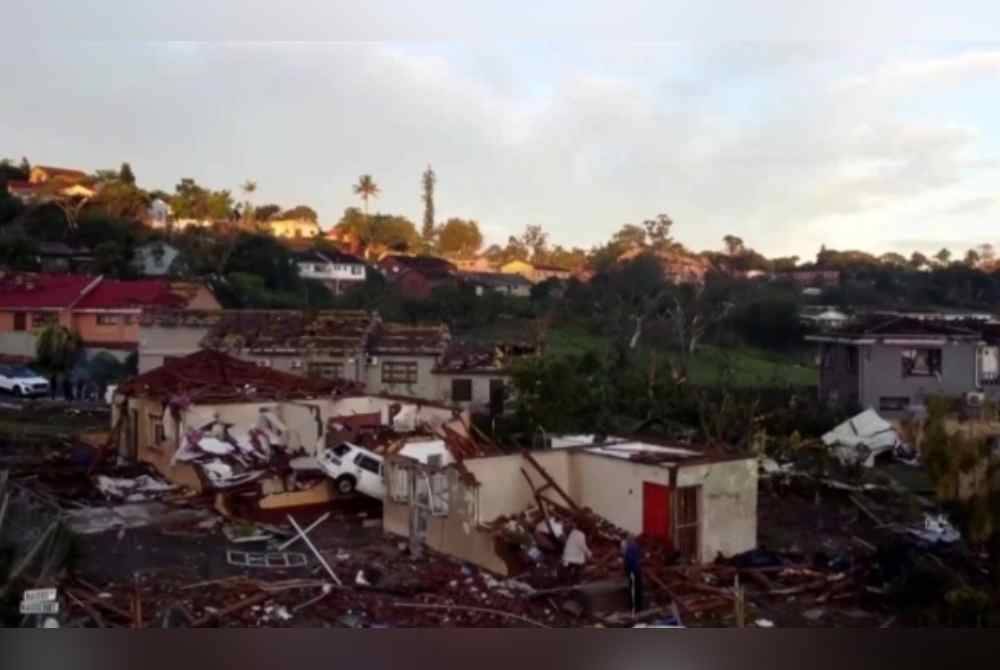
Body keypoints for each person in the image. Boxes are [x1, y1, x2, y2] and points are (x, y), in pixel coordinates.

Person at [622, 534, 644, 613]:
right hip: (637, 570)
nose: (627, 542)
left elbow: (628, 561)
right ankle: (639, 607)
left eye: (627, 540)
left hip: (632, 571)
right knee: (638, 588)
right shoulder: (636, 547)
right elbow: (639, 558)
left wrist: (626, 571)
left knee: (633, 589)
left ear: (629, 540)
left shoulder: (629, 548)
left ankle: (633, 607)